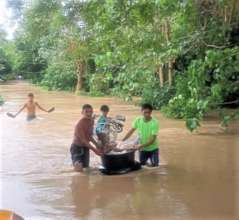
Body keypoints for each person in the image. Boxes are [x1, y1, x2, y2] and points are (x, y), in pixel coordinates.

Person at [71, 104, 103, 172]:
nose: (89, 114)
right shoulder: (79, 124)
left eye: (91, 112)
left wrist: (97, 144)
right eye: (86, 112)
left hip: (86, 147)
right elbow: (83, 140)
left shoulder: (91, 121)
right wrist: (95, 150)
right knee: (79, 169)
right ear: (82, 112)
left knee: (86, 168)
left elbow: (89, 136)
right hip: (77, 148)